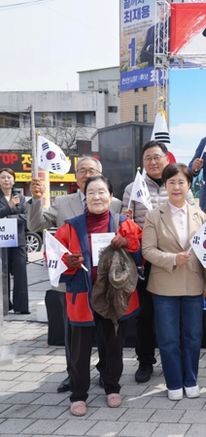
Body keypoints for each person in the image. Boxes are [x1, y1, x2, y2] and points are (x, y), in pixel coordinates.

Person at [26, 156, 122, 394]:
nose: (87, 174)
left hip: (105, 283)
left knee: (107, 332)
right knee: (74, 334)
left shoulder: (116, 204)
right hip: (73, 283)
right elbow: (35, 225)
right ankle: (75, 376)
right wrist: (36, 200)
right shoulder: (62, 202)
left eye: (92, 170)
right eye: (82, 170)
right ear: (75, 176)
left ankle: (107, 374)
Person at [54, 175, 142, 416]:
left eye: (102, 192)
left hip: (114, 295)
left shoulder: (123, 222)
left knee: (113, 344)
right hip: (83, 296)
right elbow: (53, 256)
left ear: (110, 196)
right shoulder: (70, 226)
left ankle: (112, 387)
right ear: (85, 197)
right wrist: (68, 262)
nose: (97, 197)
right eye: (91, 192)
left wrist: (128, 244)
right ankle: (78, 394)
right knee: (80, 349)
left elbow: (140, 256)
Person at [141, 163, 206, 401]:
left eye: (181, 182)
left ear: (189, 185)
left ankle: (191, 379)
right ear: (165, 185)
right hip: (164, 286)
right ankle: (173, 382)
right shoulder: (154, 215)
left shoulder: (199, 214)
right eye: (171, 182)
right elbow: (147, 250)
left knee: (193, 336)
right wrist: (173, 259)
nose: (176, 187)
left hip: (194, 283)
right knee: (168, 338)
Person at [122, 140, 189, 384]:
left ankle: (177, 360)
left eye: (157, 157)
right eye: (148, 158)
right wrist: (126, 220)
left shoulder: (178, 184)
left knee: (174, 315)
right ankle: (145, 361)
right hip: (145, 260)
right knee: (146, 314)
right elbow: (125, 222)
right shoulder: (133, 188)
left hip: (177, 261)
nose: (153, 162)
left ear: (166, 158)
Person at [0, 168, 28, 314]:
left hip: (18, 240)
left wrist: (9, 219)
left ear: (14, 180)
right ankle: (5, 305)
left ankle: (21, 307)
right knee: (3, 272)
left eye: (9, 177)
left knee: (20, 272)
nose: (6, 180)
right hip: (2, 240)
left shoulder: (20, 197)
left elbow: (26, 216)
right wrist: (9, 207)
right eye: (3, 177)